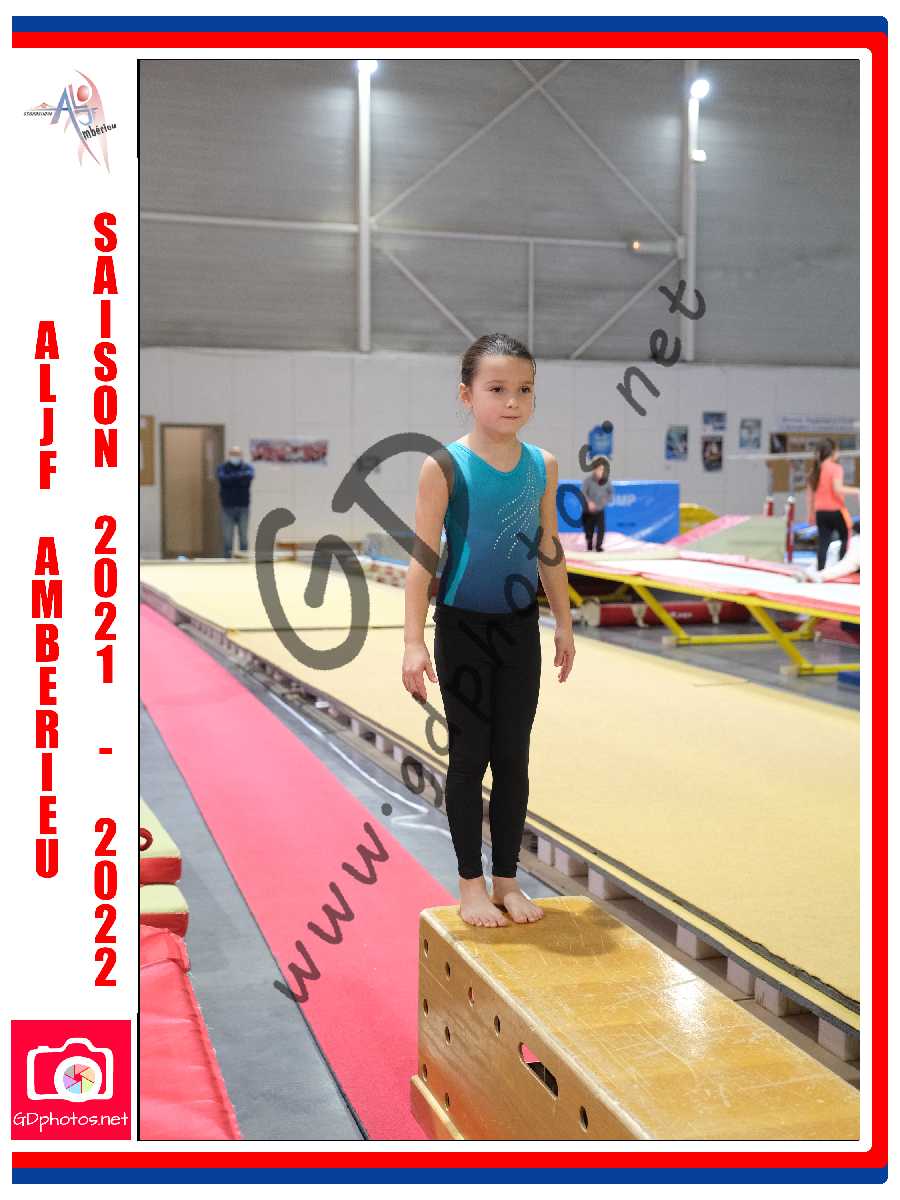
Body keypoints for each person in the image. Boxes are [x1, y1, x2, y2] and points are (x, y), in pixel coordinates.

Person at [402, 333, 576, 929]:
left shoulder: (542, 466)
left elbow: (549, 547)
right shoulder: (445, 466)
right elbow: (422, 561)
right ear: (466, 395)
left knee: (514, 757)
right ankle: (470, 885)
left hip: (519, 627)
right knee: (470, 756)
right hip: (462, 628)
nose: (512, 402)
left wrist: (564, 623)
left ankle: (507, 879)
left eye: (524, 389)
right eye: (497, 389)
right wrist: (412, 642)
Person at [806, 438, 859, 571]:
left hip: (820, 512)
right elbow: (838, 489)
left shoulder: (814, 471)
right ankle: (841, 567)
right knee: (845, 537)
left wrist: (811, 514)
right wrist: (857, 490)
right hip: (835, 510)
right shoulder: (835, 468)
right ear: (832, 452)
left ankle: (820, 570)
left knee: (823, 542)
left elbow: (810, 497)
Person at [216, 445, 255, 558]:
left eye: (237, 454)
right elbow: (223, 479)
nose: (235, 456)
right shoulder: (222, 468)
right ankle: (227, 559)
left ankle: (243, 559)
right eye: (233, 454)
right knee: (227, 537)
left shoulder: (247, 467)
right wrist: (239, 479)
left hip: (243, 507)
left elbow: (249, 476)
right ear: (229, 455)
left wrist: (231, 479)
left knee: (243, 536)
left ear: (241, 455)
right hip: (227, 507)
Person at [580, 458, 612, 550]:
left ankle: (599, 546)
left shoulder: (607, 482)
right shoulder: (588, 481)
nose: (601, 471)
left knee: (601, 528)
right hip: (588, 510)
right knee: (588, 529)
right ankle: (589, 544)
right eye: (599, 469)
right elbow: (583, 493)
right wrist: (589, 502)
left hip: (599, 509)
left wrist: (605, 500)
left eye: (603, 469)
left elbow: (610, 493)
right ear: (594, 469)